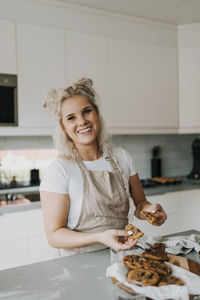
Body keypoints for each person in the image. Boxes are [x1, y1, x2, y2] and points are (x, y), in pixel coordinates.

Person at [40, 78, 167, 257]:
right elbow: (54, 236)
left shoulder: (121, 157)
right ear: (63, 127)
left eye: (87, 111)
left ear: (97, 113)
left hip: (121, 255)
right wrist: (99, 237)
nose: (82, 121)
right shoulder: (60, 170)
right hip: (76, 263)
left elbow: (140, 204)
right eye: (71, 118)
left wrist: (150, 210)